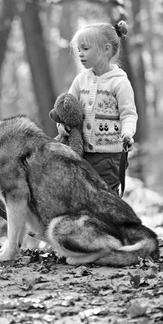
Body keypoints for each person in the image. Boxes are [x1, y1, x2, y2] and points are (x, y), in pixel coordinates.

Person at [57, 20, 137, 194]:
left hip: (109, 156)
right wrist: (63, 125)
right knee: (83, 195)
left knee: (106, 197)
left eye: (85, 49)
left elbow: (128, 114)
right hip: (82, 152)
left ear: (106, 49)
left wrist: (128, 133)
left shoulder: (119, 82)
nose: (80, 54)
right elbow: (67, 108)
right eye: (78, 50)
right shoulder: (80, 80)